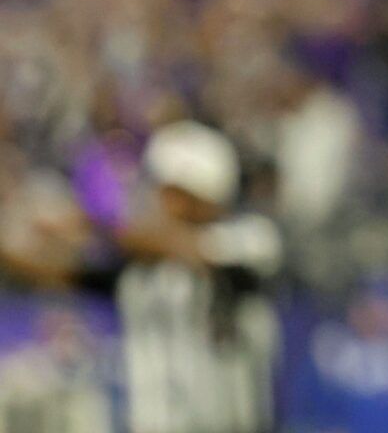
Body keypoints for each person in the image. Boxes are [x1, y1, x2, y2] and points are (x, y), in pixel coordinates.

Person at [0, 120, 282, 433]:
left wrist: (89, 221)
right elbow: (57, 273)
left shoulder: (251, 239)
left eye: (175, 191)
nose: (162, 201)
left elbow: (187, 249)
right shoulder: (139, 268)